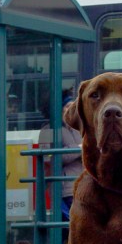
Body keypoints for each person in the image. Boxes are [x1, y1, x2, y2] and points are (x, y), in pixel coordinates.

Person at [38, 93, 83, 222]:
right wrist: (79, 149)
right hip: (66, 188)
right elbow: (49, 158)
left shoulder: (80, 129)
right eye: (67, 106)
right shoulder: (48, 130)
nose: (72, 109)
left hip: (86, 184)